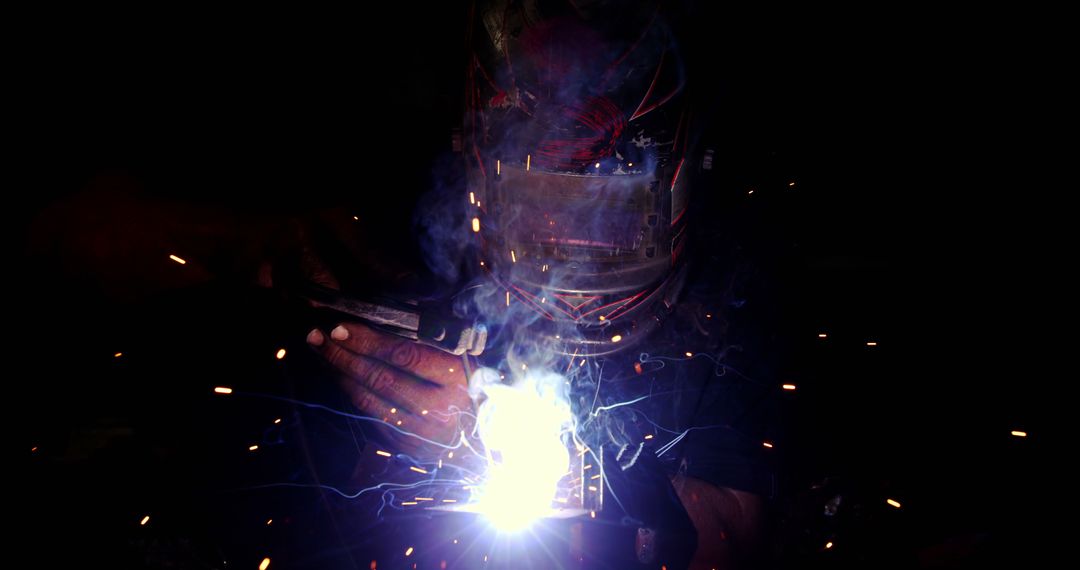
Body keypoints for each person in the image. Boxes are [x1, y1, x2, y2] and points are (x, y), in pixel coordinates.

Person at [292, 2, 778, 568]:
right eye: (537, 207)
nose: (567, 240)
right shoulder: (427, 234)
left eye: (606, 212)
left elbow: (732, 539)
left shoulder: (730, 298)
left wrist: (519, 446)